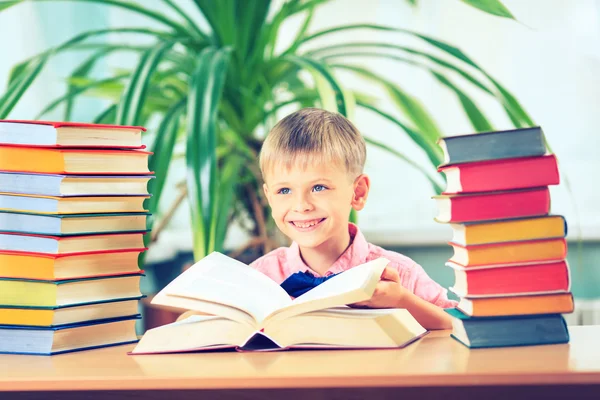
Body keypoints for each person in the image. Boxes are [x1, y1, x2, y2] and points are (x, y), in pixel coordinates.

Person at [250, 107, 456, 330]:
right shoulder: (257, 278)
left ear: (358, 192)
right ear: (269, 197)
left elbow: (457, 326)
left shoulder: (400, 275)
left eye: (319, 187)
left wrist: (402, 301)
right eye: (284, 191)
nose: (301, 206)